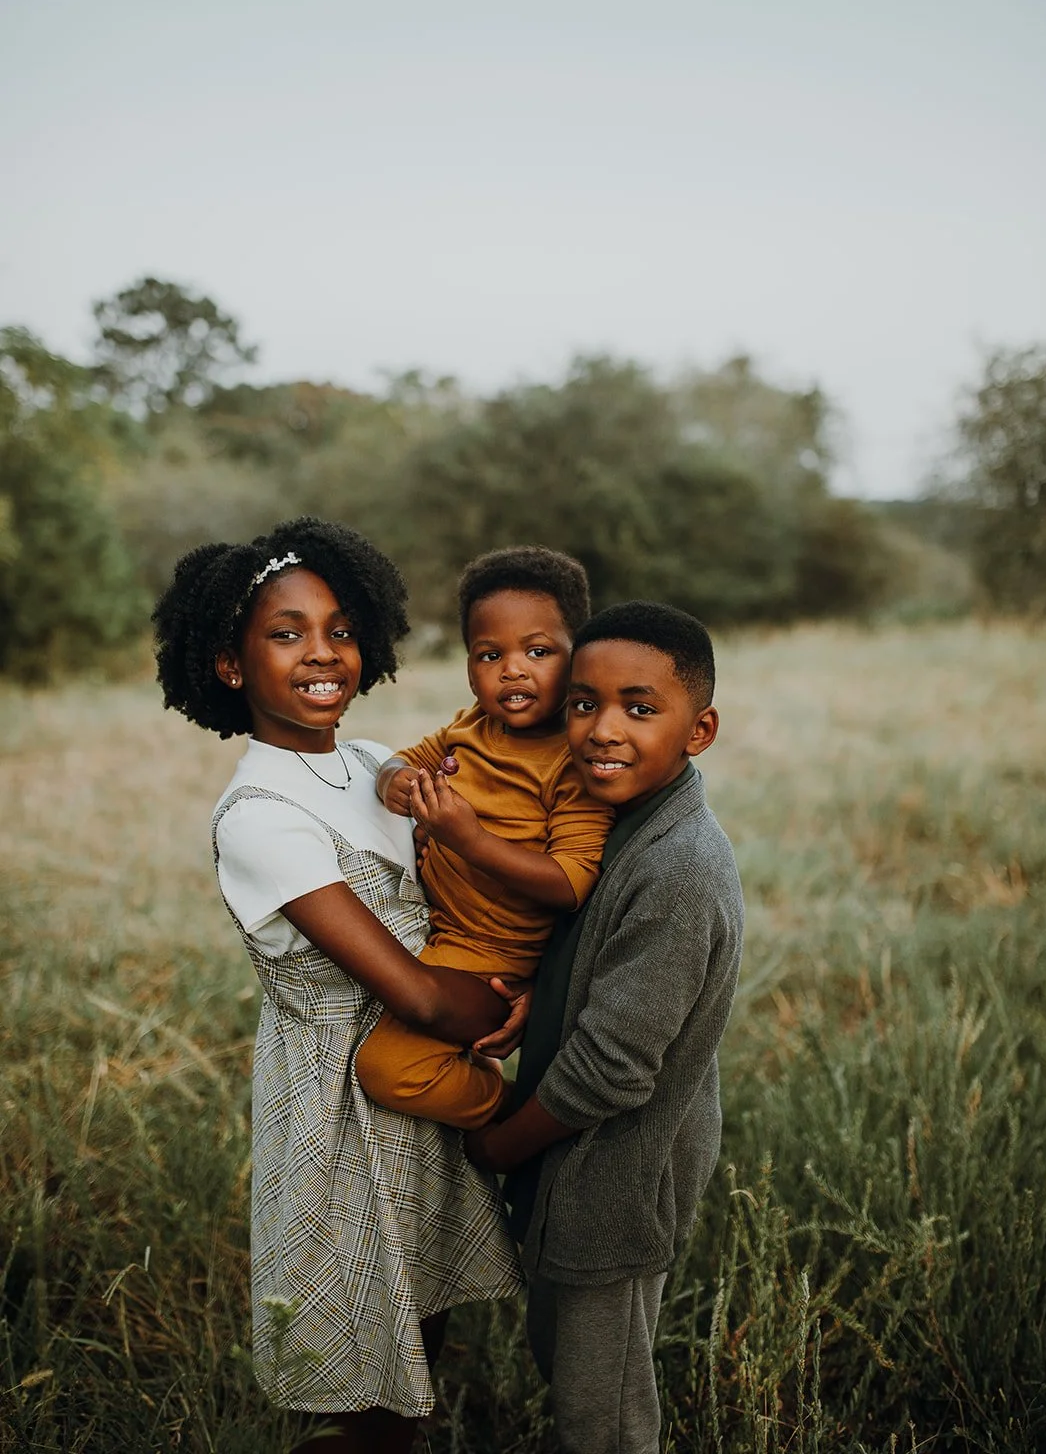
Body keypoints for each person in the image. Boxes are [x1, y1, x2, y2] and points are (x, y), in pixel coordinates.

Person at [152, 517, 522, 1454]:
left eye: (341, 629)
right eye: (286, 633)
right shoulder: (260, 816)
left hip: (419, 1094)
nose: (323, 653)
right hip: (338, 1108)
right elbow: (422, 997)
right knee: (353, 1386)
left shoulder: (370, 765)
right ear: (230, 665)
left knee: (417, 1352)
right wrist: (513, 1008)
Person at [465, 601, 745, 1454]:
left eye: (638, 707)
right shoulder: (612, 825)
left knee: (605, 1415)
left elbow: (612, 1068)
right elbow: (593, 961)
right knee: (564, 1361)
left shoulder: (680, 869)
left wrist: (497, 1149)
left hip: (617, 1175)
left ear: (698, 731)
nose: (601, 730)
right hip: (572, 1162)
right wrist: (537, 996)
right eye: (582, 704)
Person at [358, 545, 613, 1127]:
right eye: (489, 654)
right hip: (440, 923)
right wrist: (397, 782)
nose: (513, 669)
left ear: (580, 657)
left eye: (539, 651)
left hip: (490, 954)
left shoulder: (572, 763)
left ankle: (514, 1115)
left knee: (387, 1068)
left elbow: (572, 881)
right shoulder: (473, 725)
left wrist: (468, 841)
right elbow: (403, 759)